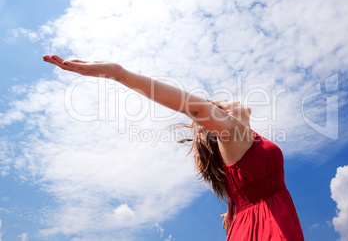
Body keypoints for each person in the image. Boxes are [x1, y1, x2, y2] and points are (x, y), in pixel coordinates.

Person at [43, 54, 304, 240]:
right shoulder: (233, 132)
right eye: (220, 105)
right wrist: (118, 73)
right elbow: (195, 107)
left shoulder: (243, 144)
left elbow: (246, 189)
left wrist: (234, 209)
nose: (229, 101)